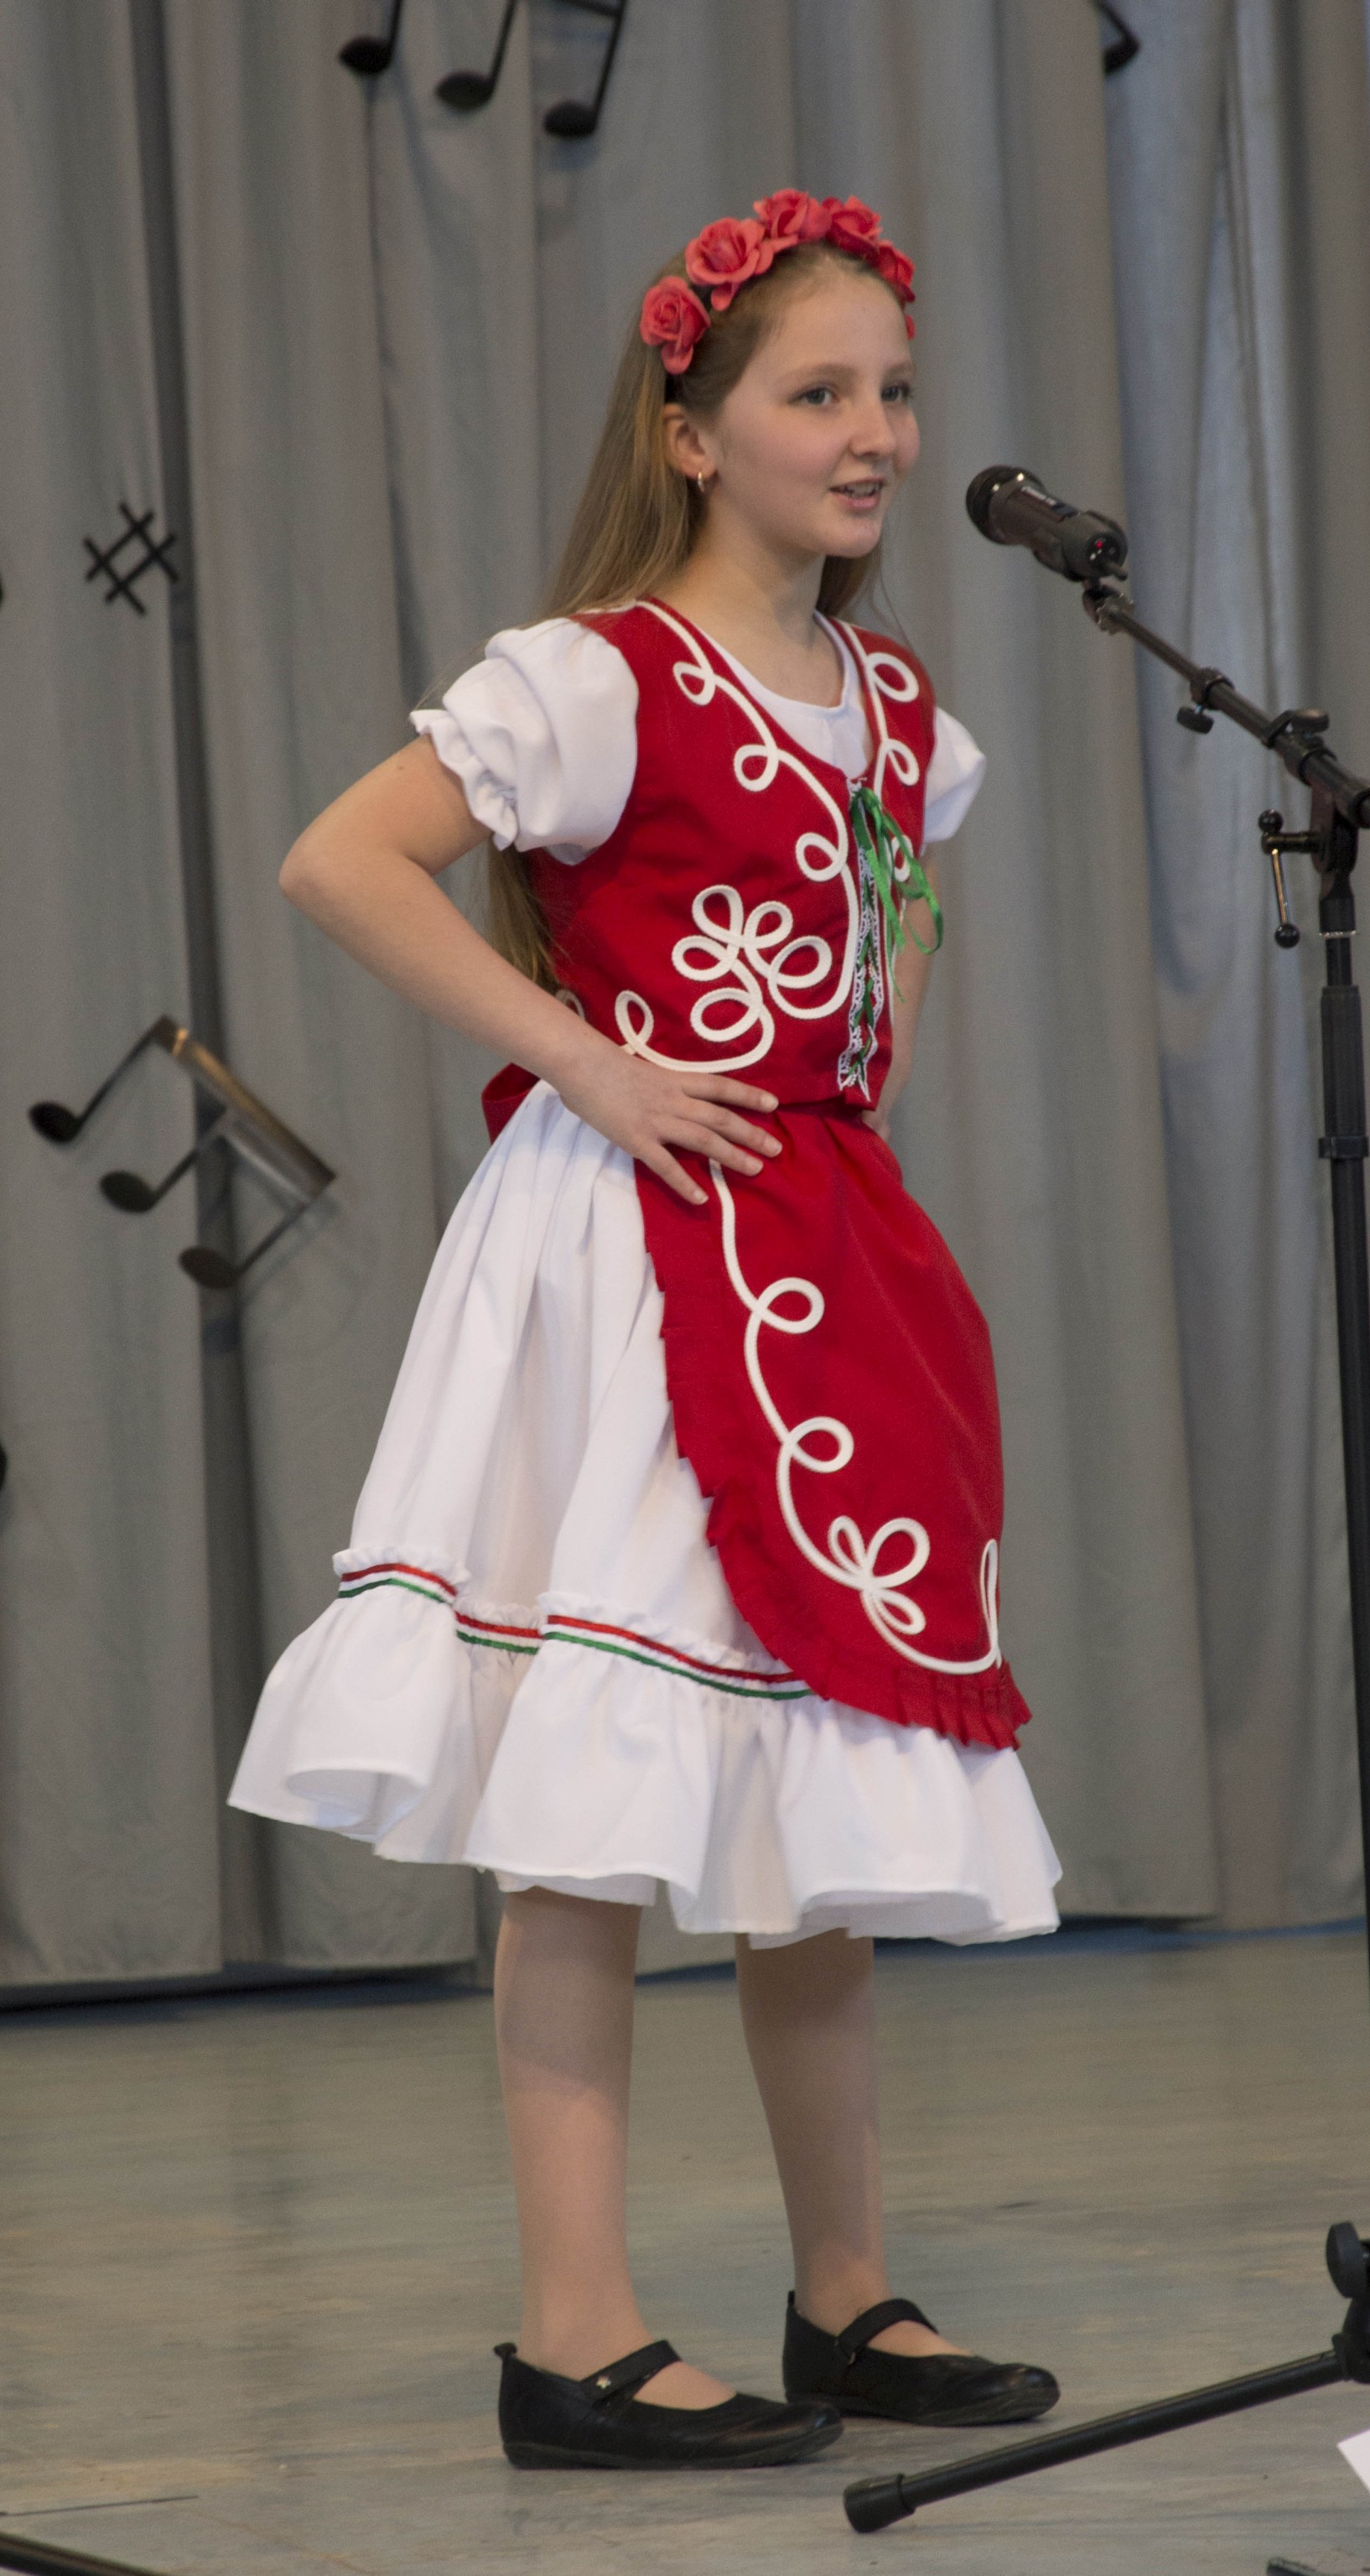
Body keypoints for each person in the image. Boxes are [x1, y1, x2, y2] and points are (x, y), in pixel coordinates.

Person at [231, 190, 1062, 2472]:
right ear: (694, 433)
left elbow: (899, 911)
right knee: (588, 1800)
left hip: (822, 1250)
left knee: (814, 1766)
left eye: (895, 390)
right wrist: (587, 1062)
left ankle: (845, 2293)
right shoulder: (604, 675)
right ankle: (572, 2333)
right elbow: (341, 861)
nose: (874, 432)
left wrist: (872, 1022)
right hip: (631, 1264)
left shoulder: (895, 707)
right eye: (818, 393)